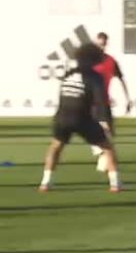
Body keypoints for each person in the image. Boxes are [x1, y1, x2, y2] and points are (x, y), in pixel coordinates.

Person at [39, 43, 122, 192]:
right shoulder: (94, 76)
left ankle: (45, 182)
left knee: (55, 147)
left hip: (62, 116)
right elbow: (100, 101)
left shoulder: (68, 74)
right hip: (82, 117)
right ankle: (115, 184)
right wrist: (103, 121)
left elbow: (63, 97)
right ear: (94, 59)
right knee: (107, 147)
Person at [92, 32, 132, 172]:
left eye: (103, 43)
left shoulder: (111, 61)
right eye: (99, 44)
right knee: (104, 131)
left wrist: (128, 99)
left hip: (105, 102)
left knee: (111, 133)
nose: (101, 46)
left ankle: (100, 153)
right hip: (92, 102)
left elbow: (121, 79)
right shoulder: (90, 61)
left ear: (106, 44)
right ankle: (102, 155)